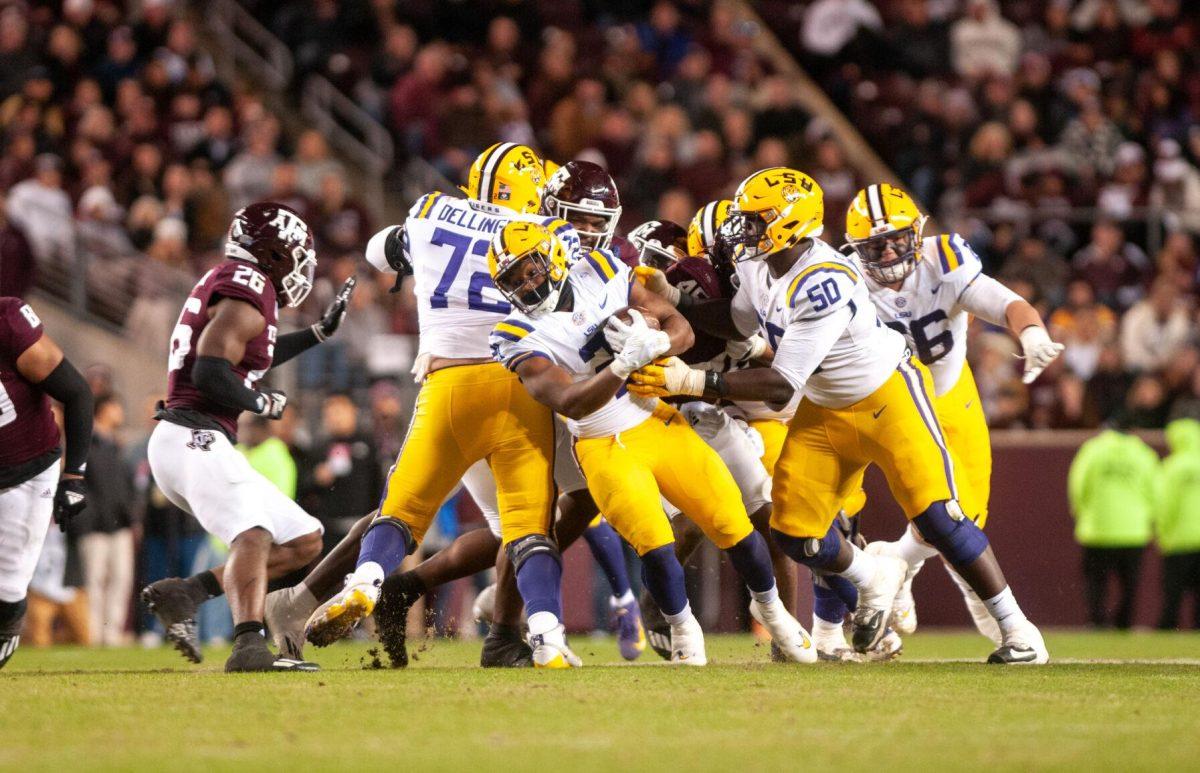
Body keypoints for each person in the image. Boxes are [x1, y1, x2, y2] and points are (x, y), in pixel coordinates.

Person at [631, 167, 1048, 664]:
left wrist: (694, 382)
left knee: (938, 516)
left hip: (885, 400)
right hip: (826, 411)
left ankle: (1019, 632)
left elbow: (783, 381)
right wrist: (677, 299)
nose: (744, 230)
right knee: (794, 534)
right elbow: (738, 322)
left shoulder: (822, 280)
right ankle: (875, 576)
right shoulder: (759, 264)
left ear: (790, 223)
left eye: (756, 219)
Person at [304, 143, 588, 669]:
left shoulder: (430, 210)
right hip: (518, 382)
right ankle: (546, 631)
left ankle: (365, 581)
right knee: (529, 528)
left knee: (402, 510)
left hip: (445, 384)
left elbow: (375, 250)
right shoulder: (547, 235)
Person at [489, 219, 815, 665]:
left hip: (656, 419)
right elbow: (570, 401)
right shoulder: (513, 334)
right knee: (657, 547)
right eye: (513, 280)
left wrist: (658, 340)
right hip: (602, 444)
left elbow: (681, 326)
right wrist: (621, 365)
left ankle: (775, 615)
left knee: (734, 525)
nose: (527, 285)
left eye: (531, 269)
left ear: (555, 258)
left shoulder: (600, 269)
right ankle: (683, 629)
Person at [840, 183, 1063, 649]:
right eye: (875, 244)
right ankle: (885, 579)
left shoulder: (944, 260)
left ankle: (895, 564)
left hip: (947, 394)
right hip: (889, 404)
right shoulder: (845, 279)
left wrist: (1032, 333)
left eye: (898, 239)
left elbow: (1004, 302)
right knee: (941, 513)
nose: (889, 251)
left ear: (916, 234)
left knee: (969, 515)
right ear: (856, 249)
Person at [141, 202, 355, 672]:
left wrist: (317, 334)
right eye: (295, 254)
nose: (300, 265)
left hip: (191, 439)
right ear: (273, 254)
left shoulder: (241, 285)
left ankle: (186, 593)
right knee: (253, 532)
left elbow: (250, 352)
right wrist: (261, 403)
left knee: (303, 539)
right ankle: (249, 647)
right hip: (193, 435)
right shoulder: (249, 283)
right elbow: (211, 367)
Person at [0, 297, 92, 668]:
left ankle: (6, 632)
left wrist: (74, 477)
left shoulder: (6, 323)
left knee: (7, 590)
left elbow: (77, 392)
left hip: (27, 470)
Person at [1067, 422, 1158, 629]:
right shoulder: (1144, 453)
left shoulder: (1092, 450)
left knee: (1096, 583)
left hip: (1097, 529)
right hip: (1133, 531)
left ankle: (1097, 622)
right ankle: (1123, 623)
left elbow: (1078, 485)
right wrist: (1149, 519)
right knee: (1129, 585)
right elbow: (1155, 490)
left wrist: (1082, 512)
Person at [75, 392, 135, 646]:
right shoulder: (86, 442)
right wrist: (88, 516)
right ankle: (94, 634)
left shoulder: (116, 444)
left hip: (119, 525)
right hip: (94, 526)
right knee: (95, 581)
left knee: (121, 580)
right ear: (104, 409)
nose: (120, 412)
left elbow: (124, 486)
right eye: (116, 407)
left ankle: (112, 634)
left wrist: (131, 516)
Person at [1156, 418, 1200, 629]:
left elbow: (1164, 505)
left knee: (1173, 595)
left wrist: (1163, 534)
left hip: (1178, 540)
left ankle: (1168, 631)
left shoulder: (1171, 467)